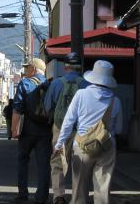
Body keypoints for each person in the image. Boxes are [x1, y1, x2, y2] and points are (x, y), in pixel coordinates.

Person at [54, 60, 123, 204]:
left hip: (82, 146)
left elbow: (68, 121)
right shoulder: (115, 101)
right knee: (102, 191)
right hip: (106, 146)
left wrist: (60, 143)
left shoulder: (81, 94)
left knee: (79, 189)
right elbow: (120, 129)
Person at [44, 53, 88, 204]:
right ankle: (77, 197)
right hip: (80, 129)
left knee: (57, 161)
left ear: (65, 67)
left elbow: (48, 106)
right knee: (79, 163)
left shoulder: (56, 83)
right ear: (80, 66)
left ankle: (58, 196)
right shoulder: (86, 84)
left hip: (59, 126)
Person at [11, 58, 52, 204]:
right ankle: (42, 197)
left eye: (27, 68)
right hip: (46, 131)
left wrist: (14, 130)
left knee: (23, 160)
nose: (26, 71)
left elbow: (17, 108)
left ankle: (22, 194)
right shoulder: (50, 85)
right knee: (44, 164)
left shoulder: (25, 83)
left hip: (27, 130)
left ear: (33, 69)